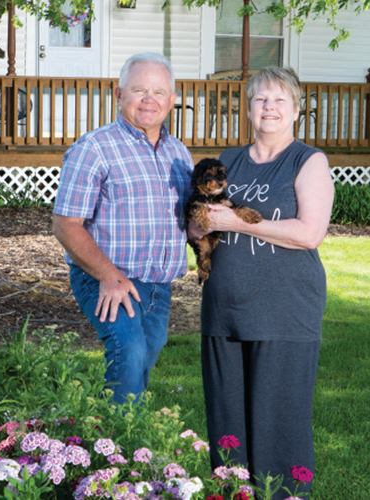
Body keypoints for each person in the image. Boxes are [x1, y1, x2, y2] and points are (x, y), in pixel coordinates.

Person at [193, 67, 334, 497]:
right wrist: (198, 227)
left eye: (279, 100)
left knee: (279, 421)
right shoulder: (227, 160)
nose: (269, 107)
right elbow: (199, 224)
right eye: (260, 100)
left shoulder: (308, 160)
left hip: (284, 310)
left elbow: (309, 233)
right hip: (225, 308)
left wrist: (237, 221)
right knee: (227, 424)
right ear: (248, 107)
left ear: (295, 108)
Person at [52, 53, 193, 404]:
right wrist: (108, 275)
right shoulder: (95, 148)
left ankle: (109, 433)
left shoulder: (179, 153)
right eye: (139, 90)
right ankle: (118, 449)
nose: (150, 100)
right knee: (129, 352)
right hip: (108, 276)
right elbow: (66, 224)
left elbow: (188, 220)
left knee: (144, 357)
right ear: (118, 95)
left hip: (158, 285)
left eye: (159, 92)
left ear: (172, 100)